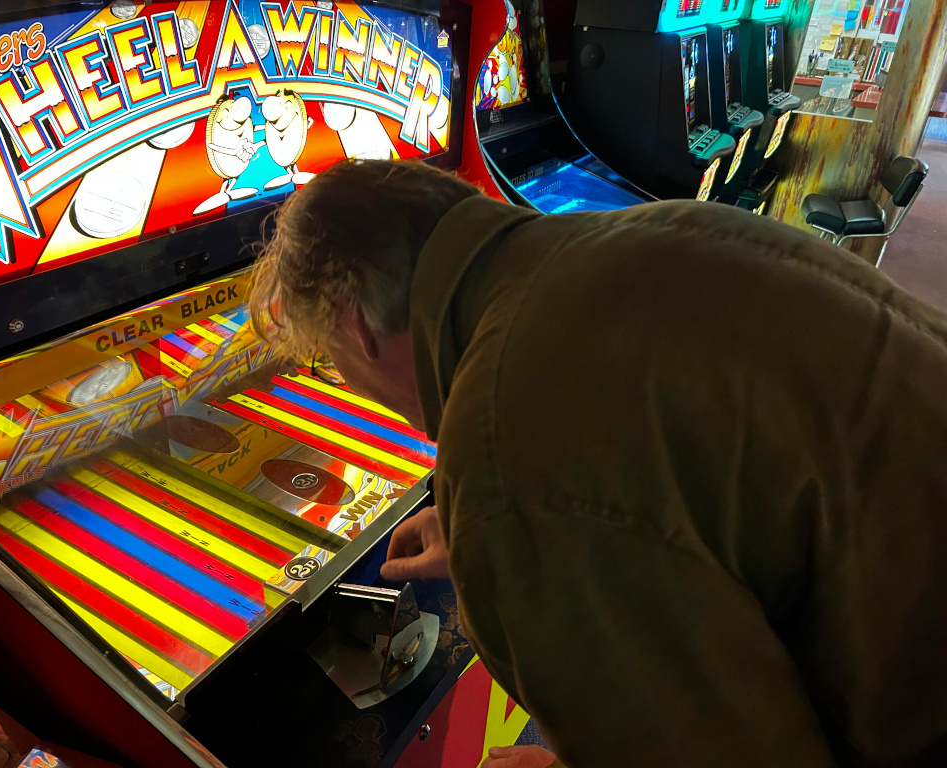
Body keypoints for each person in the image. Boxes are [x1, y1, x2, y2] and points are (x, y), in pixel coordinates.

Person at [248, 159, 947, 768]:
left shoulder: (506, 450)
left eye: (330, 362)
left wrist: (506, 520)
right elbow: (686, 479)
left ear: (356, 326)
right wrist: (499, 530)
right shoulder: (636, 234)